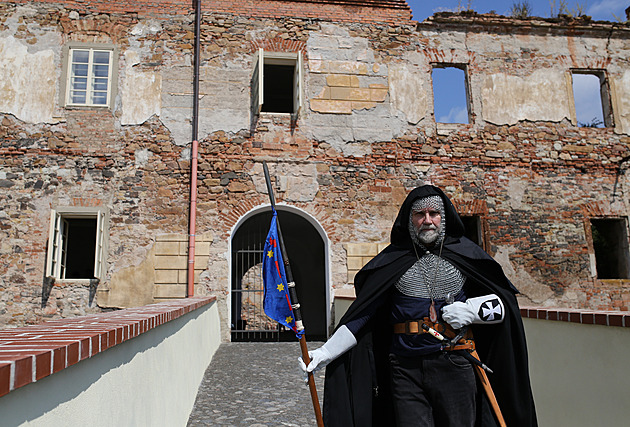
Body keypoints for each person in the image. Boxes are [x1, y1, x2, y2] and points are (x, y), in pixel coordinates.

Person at [299, 185, 537, 427]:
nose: (427, 221)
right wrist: (324, 353)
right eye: (419, 214)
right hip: (405, 368)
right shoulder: (393, 260)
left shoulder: (466, 255)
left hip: (454, 362)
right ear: (409, 219)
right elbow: (363, 316)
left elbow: (504, 306)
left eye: (434, 214)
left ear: (443, 218)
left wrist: (471, 311)